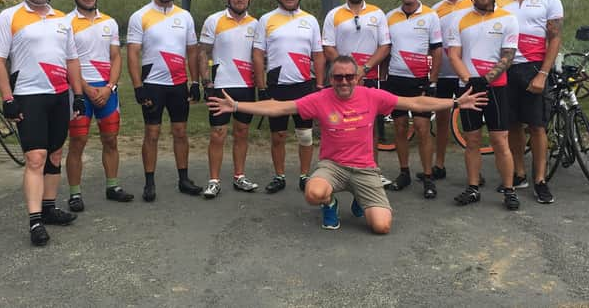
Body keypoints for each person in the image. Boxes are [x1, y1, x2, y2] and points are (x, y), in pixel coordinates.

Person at [207, 55, 487, 234]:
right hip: (333, 167)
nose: (343, 82)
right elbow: (280, 108)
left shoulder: (372, 95)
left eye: (349, 77)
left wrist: (454, 103)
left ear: (357, 77)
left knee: (381, 227)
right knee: (313, 192)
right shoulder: (320, 98)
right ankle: (330, 203)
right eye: (338, 77)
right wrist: (237, 105)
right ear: (331, 79)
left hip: (365, 169)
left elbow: (415, 103)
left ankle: (359, 199)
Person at [0, 0, 85, 246]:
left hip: (58, 96)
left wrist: (77, 94)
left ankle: (49, 207)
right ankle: (35, 222)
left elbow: (72, 60)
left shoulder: (62, 19)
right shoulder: (9, 16)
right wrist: (7, 98)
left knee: (55, 155)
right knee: (35, 158)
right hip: (28, 96)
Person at [447, 0, 521, 210]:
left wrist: (486, 79)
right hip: (468, 87)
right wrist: (469, 79)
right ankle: (473, 187)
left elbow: (508, 56)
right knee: (472, 140)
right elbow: (454, 55)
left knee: (500, 140)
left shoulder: (508, 19)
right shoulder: (459, 19)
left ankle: (509, 190)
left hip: (496, 88)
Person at [127, 0, 201, 202]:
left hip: (178, 84)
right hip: (153, 84)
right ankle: (149, 183)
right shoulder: (140, 16)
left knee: (180, 132)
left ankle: (184, 180)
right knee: (152, 133)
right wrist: (138, 86)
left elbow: (192, 51)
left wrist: (195, 82)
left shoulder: (185, 16)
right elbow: (133, 53)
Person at [497, 0, 563, 204]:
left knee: (537, 126)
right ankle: (519, 173)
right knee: (512, 124)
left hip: (534, 67)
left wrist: (543, 74)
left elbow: (555, 38)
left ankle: (540, 180)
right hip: (507, 67)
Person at [64, 0, 133, 212]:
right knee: (78, 141)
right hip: (80, 91)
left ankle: (112, 186)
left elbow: (116, 58)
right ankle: (75, 193)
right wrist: (85, 88)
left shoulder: (110, 22)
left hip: (106, 90)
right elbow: (66, 61)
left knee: (110, 139)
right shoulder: (65, 23)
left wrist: (110, 87)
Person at [252, 0, 325, 193]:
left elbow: (318, 54)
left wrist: (320, 85)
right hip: (277, 86)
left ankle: (304, 175)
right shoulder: (266, 19)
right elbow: (257, 54)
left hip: (304, 85)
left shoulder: (310, 20)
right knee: (278, 135)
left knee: (305, 135)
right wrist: (262, 87)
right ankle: (279, 176)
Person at [322, 0, 392, 186]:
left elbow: (385, 46)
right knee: (339, 128)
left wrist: (364, 69)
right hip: (342, 81)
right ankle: (338, 173)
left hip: (368, 78)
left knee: (368, 129)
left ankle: (372, 171)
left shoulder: (377, 14)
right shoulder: (334, 15)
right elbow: (328, 47)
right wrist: (348, 72)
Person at [198, 0, 259, 198]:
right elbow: (203, 52)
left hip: (246, 86)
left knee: (242, 132)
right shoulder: (214, 20)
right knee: (218, 133)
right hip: (221, 85)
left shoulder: (256, 24)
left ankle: (239, 177)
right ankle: (214, 180)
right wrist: (206, 83)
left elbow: (260, 56)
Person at [384, 0, 442, 198]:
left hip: (420, 81)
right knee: (399, 128)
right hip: (396, 79)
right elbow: (385, 50)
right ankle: (404, 172)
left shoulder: (430, 15)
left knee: (422, 129)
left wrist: (433, 81)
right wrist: (383, 79)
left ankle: (428, 177)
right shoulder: (390, 16)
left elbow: (437, 50)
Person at [428, 0, 474, 182]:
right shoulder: (435, 9)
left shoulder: (474, 4)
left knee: (470, 124)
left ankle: (474, 172)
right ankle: (439, 164)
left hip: (467, 72)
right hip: (445, 72)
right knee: (442, 120)